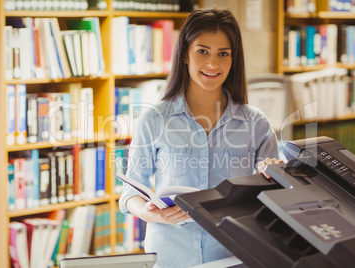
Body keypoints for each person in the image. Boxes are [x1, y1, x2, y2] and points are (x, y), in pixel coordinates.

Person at [119, 8, 283, 267]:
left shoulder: (255, 123)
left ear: (234, 58)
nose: (212, 64)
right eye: (203, 51)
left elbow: (277, 194)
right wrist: (150, 214)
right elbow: (130, 191)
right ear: (185, 54)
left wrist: (278, 175)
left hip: (233, 254)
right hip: (171, 254)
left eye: (223, 54)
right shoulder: (154, 119)